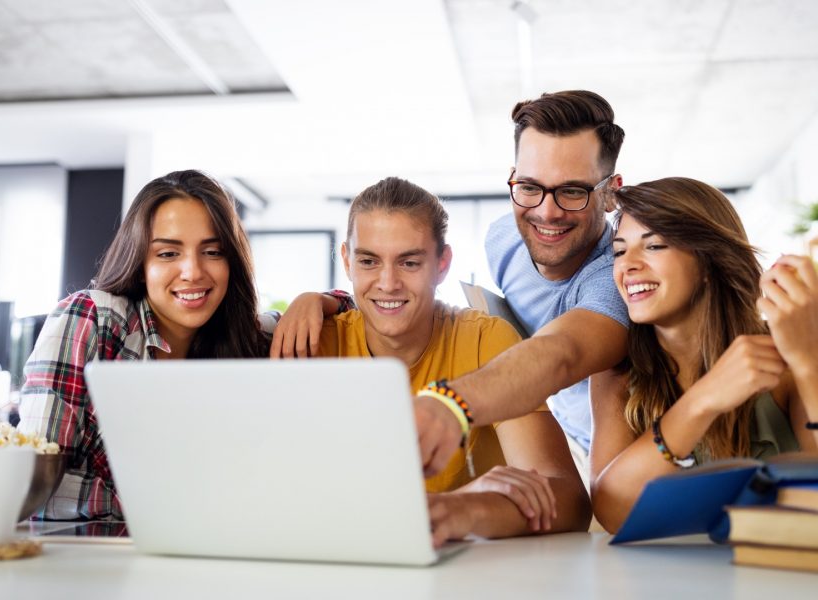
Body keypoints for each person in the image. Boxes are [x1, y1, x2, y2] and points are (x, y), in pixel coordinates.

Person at [17, 169, 334, 520]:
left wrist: (318, 300)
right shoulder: (94, 318)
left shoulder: (247, 340)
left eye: (212, 251)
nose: (193, 272)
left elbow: (365, 315)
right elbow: (31, 487)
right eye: (168, 254)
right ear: (140, 264)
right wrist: (166, 507)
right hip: (86, 563)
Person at [310, 176, 590, 545]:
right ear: (347, 260)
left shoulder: (483, 339)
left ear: (442, 264)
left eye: (409, 262)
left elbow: (569, 501)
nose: (388, 282)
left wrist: (465, 510)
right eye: (368, 261)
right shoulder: (315, 345)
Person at [414, 90, 630, 478]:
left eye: (572, 191)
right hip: (559, 435)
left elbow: (563, 351)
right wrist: (336, 302)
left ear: (611, 192)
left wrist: (450, 403)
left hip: (627, 457)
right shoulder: (503, 240)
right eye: (530, 187)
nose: (547, 213)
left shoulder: (619, 275)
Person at [589, 177, 818, 532]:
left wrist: (808, 363)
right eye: (620, 250)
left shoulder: (783, 359)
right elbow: (611, 511)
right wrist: (705, 398)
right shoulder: (615, 373)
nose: (628, 265)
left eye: (654, 246)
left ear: (709, 262)